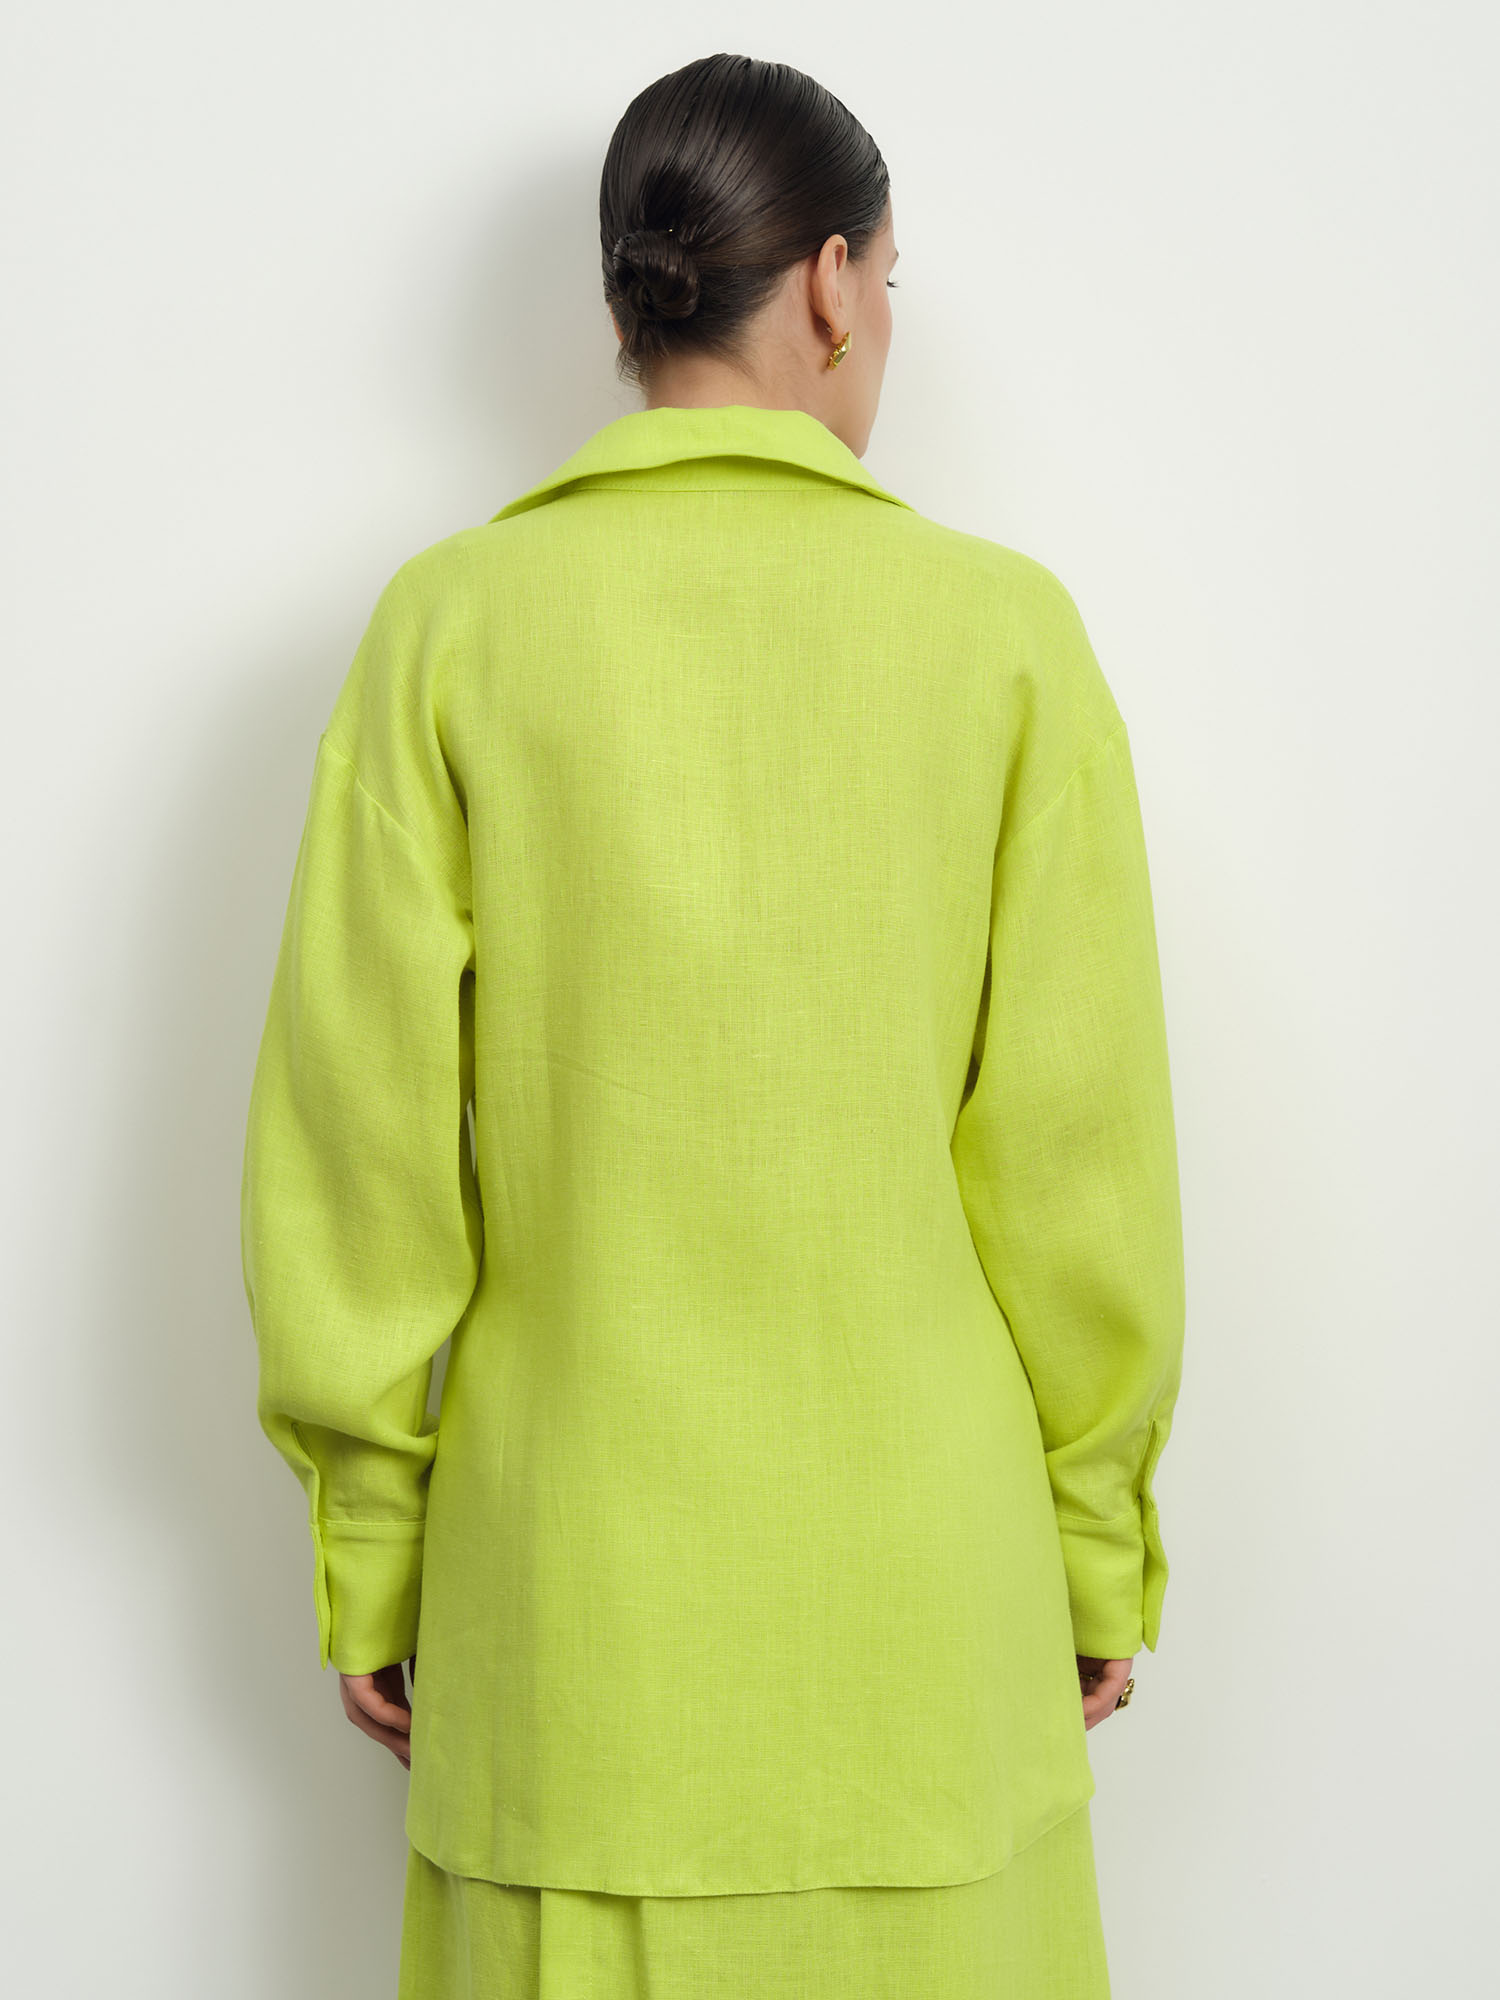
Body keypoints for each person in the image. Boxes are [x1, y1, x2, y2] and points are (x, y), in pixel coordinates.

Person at [240, 50, 1186, 2000]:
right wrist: (1095, 1541)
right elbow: (1075, 1165)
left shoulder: (450, 629)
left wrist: (374, 1541)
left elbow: (361, 1153)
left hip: (571, 1629)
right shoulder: (1006, 637)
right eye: (890, 283)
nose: (885, 325)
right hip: (926, 1635)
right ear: (830, 282)